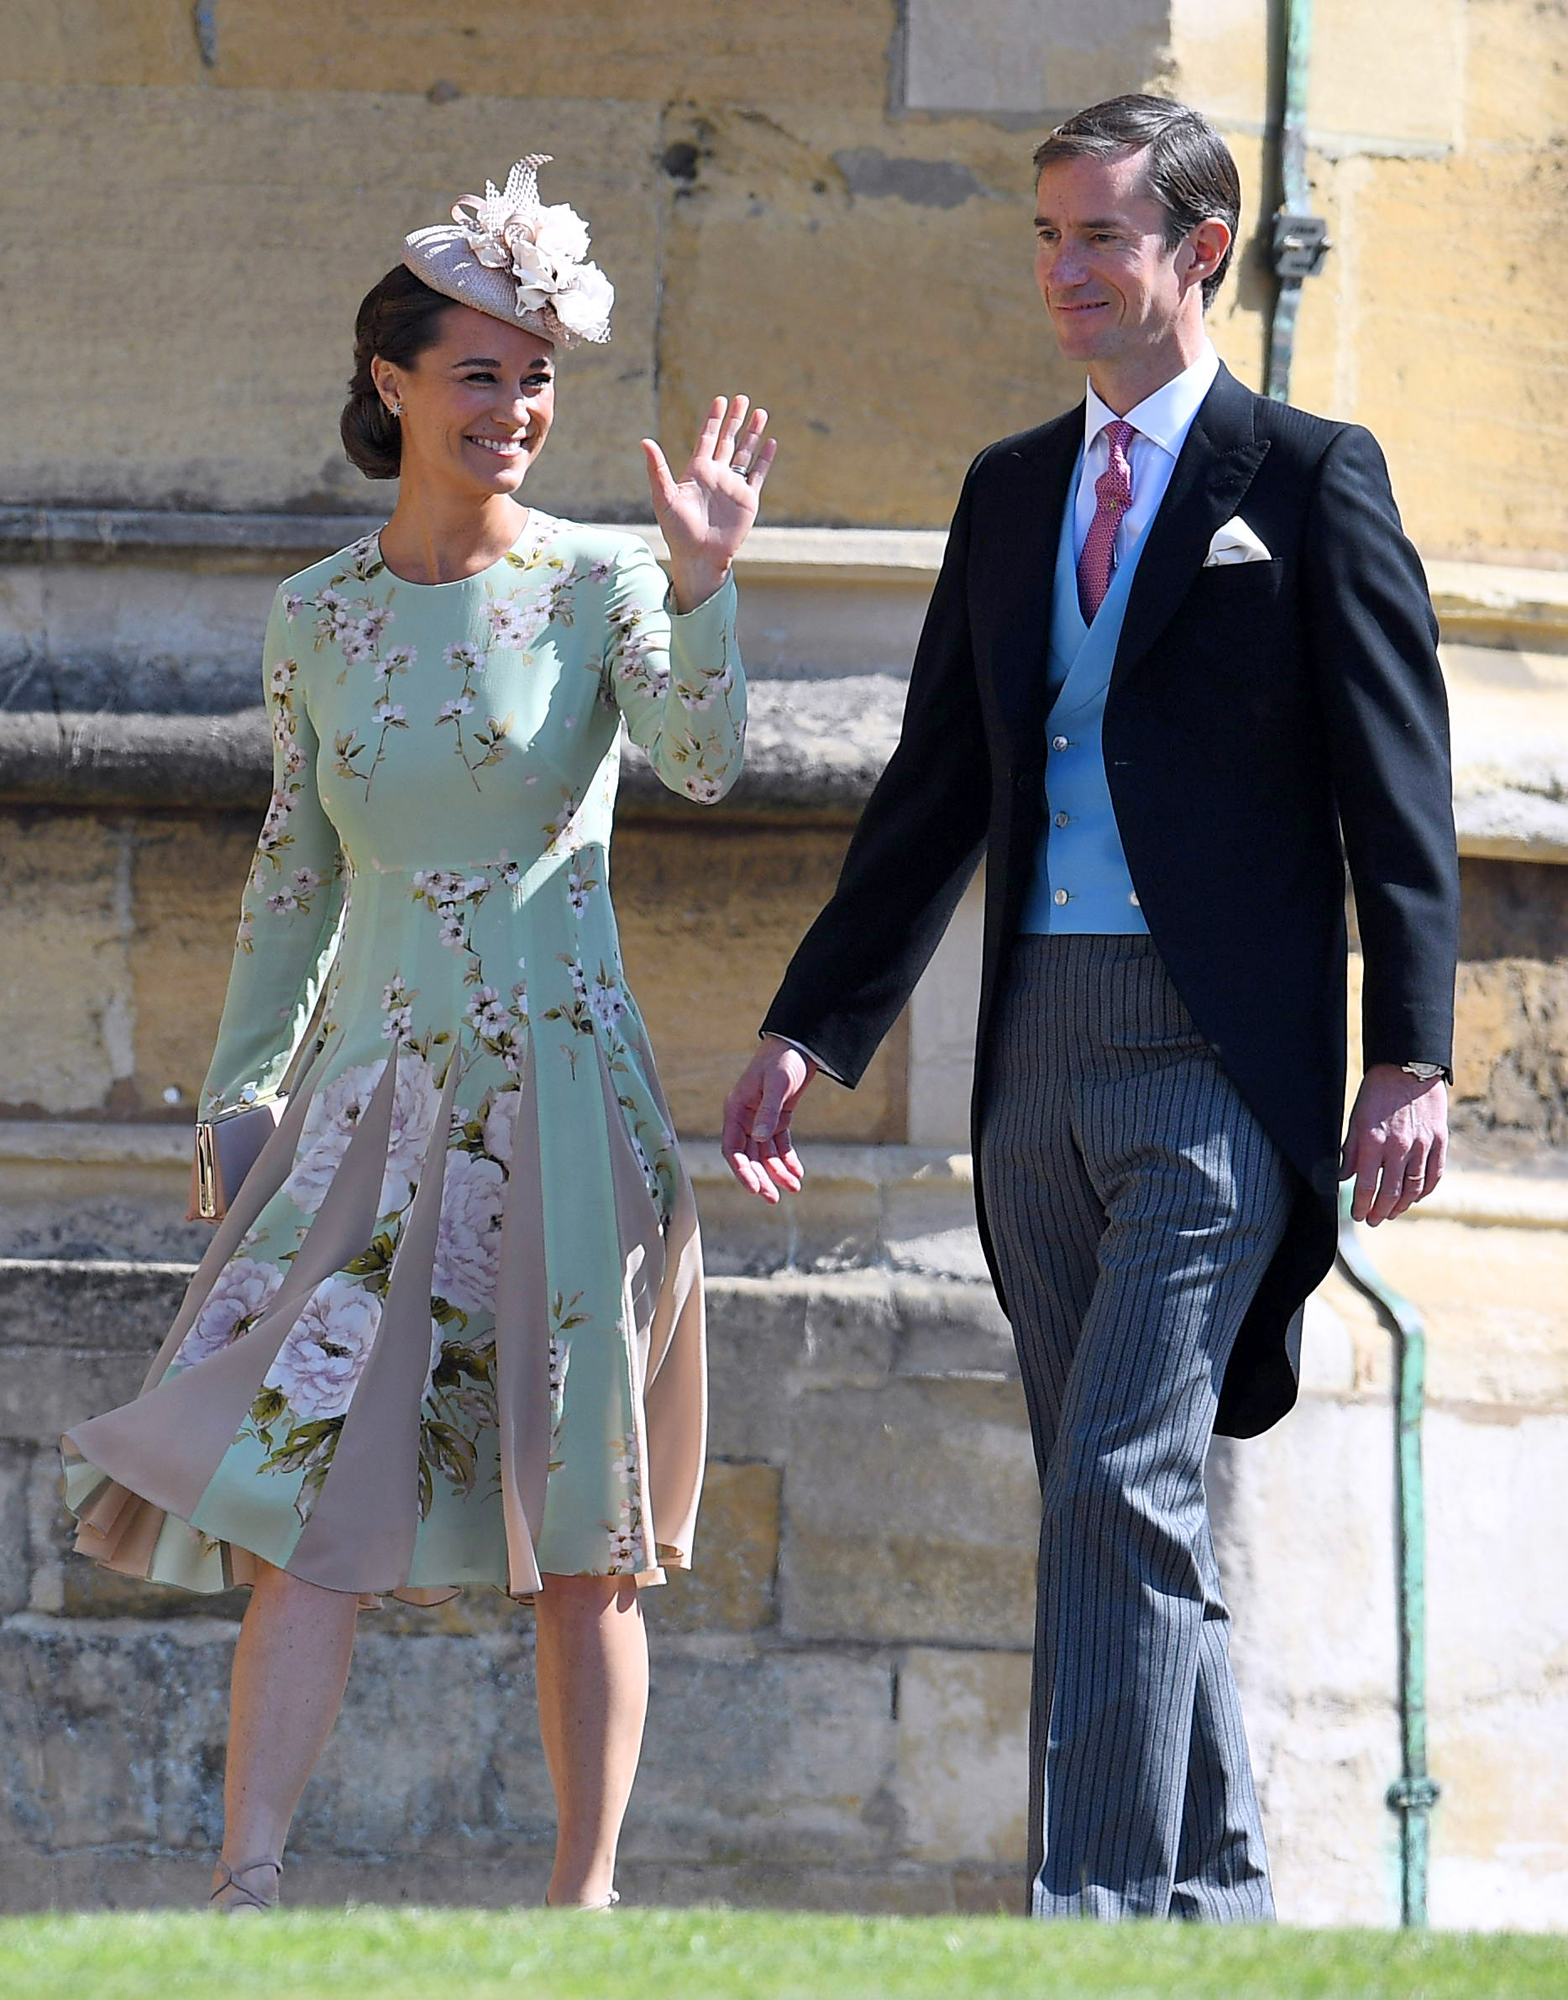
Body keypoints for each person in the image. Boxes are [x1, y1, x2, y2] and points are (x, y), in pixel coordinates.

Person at [722, 96, 1457, 1921]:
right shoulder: (1004, 489)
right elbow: (933, 791)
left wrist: (1412, 1054)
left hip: (1221, 1061)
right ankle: (1210, 1915)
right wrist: (812, 1029)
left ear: (1198, 250)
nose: (1062, 269)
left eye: (1099, 238)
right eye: (1045, 236)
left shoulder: (1308, 479)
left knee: (1122, 1484)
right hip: (1033, 1047)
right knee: (1116, 1497)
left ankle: (1097, 1923)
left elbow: (1401, 787)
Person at [62, 155, 775, 1913]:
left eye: (538, 375)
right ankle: (247, 1890)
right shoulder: (316, 617)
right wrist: (241, 1088)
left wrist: (704, 588)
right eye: (481, 371)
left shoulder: (611, 584)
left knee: (584, 1540)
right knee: (303, 1500)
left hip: (569, 1109)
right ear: (392, 383)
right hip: (371, 1115)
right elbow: (291, 872)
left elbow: (703, 763)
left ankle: (586, 1907)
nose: (518, 405)